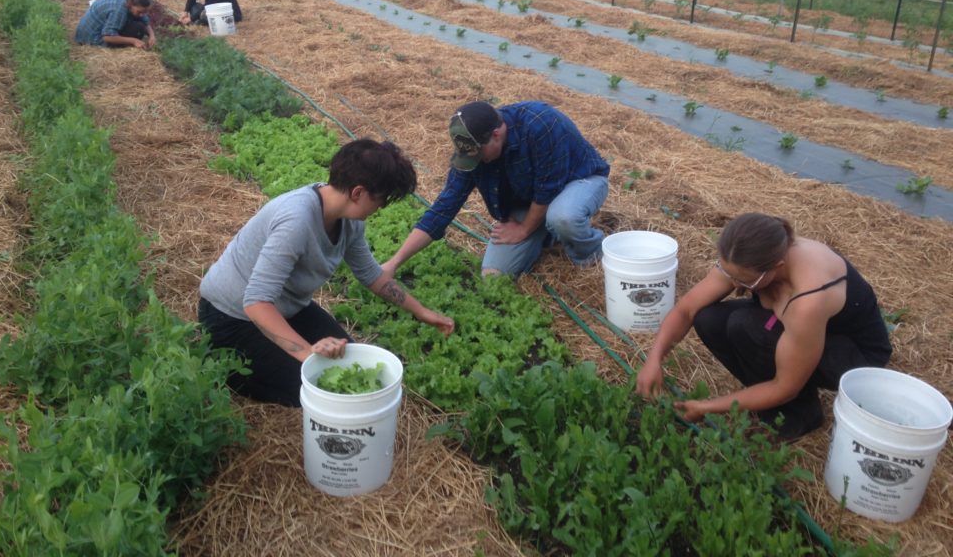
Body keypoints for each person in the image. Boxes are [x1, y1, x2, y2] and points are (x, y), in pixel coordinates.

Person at [198, 138, 455, 406]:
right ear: (358, 193)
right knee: (319, 387)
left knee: (347, 361)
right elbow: (256, 302)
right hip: (231, 317)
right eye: (381, 200)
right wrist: (309, 354)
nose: (380, 209)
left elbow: (371, 275)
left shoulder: (349, 222)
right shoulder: (296, 220)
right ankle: (224, 363)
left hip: (286, 308)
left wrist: (423, 312)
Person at [636, 213, 892, 439]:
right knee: (708, 318)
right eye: (728, 274)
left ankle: (800, 416)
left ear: (776, 267)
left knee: (746, 327)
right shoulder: (750, 255)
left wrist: (708, 407)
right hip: (808, 333)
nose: (734, 285)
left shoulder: (808, 298)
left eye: (743, 281)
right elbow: (687, 309)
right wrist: (654, 359)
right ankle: (763, 397)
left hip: (855, 357)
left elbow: (785, 386)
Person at [382, 100, 610, 279]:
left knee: (563, 217)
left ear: (496, 135)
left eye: (479, 154)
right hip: (532, 202)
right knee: (493, 276)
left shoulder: (540, 124)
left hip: (579, 181)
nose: (475, 161)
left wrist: (523, 230)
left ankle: (591, 253)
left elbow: (548, 189)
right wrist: (393, 263)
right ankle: (548, 235)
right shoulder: (471, 153)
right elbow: (443, 209)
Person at [74, 0, 156, 49]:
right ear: (131, 5)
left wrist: (152, 35)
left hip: (91, 30)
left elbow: (144, 20)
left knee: (138, 22)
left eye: (145, 12)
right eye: (139, 12)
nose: (142, 15)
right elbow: (107, 37)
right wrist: (133, 40)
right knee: (137, 28)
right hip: (91, 38)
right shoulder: (119, 10)